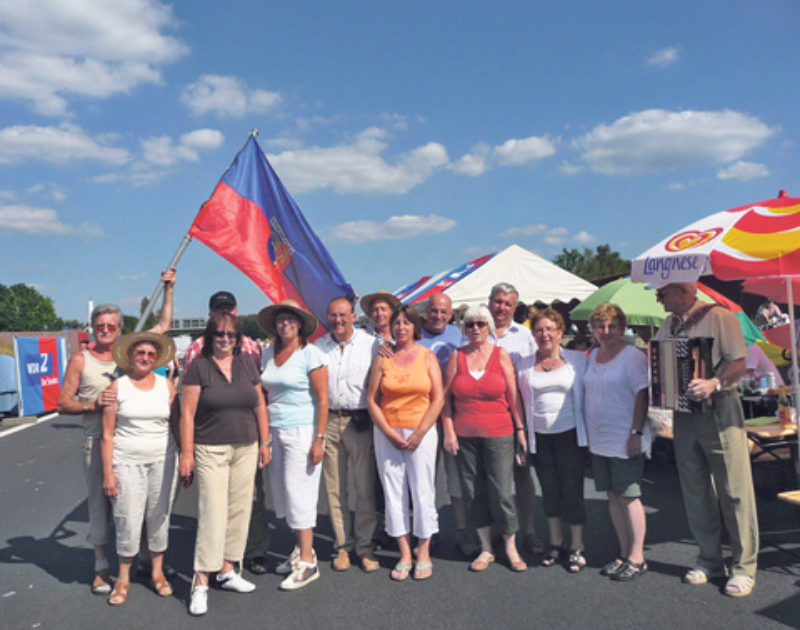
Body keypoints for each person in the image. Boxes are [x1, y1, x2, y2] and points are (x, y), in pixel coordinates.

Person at [57, 269, 175, 595]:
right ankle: (100, 567)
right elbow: (63, 404)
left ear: (120, 330)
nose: (106, 331)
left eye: (111, 326)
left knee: (136, 503)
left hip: (130, 441)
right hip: (98, 440)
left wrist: (168, 289)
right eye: (100, 326)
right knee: (101, 504)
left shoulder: (131, 353)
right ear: (92, 329)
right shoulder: (82, 360)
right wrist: (92, 404)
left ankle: (141, 561)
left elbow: (163, 326)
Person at [654, 282, 758, 597]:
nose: (659, 299)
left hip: (720, 408)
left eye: (663, 293)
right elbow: (660, 360)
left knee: (734, 489)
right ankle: (710, 559)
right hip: (684, 413)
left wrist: (714, 382)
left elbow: (739, 363)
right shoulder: (668, 323)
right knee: (695, 488)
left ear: (683, 291)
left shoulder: (720, 317)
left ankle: (743, 567)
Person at [180, 312, 270, 616]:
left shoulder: (246, 363)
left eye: (231, 336)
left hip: (246, 446)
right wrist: (187, 454)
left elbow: (259, 404)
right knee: (212, 514)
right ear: (209, 336)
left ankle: (228, 570)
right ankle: (201, 581)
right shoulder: (199, 368)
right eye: (220, 335)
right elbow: (187, 414)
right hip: (210, 449)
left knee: (239, 510)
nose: (225, 340)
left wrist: (265, 442)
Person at [441, 304, 528, 572]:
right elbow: (445, 399)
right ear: (463, 329)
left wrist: (520, 430)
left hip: (499, 433)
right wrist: (449, 431)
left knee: (501, 491)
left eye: (480, 324)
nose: (475, 329)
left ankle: (511, 546)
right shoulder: (457, 356)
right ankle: (486, 548)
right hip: (465, 435)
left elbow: (514, 397)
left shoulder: (501, 356)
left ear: (489, 327)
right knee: (473, 492)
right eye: (470, 324)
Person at [100, 332, 179, 605]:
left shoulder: (167, 386)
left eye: (150, 355)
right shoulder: (116, 388)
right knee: (127, 518)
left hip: (163, 460)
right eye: (140, 353)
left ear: (156, 359)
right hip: (126, 462)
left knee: (159, 516)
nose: (145, 358)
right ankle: (123, 577)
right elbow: (108, 434)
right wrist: (109, 472)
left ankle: (157, 573)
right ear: (130, 356)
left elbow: (178, 424)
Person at [366, 305, 444, 581]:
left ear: (415, 327)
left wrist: (420, 433)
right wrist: (388, 432)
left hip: (420, 431)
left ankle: (423, 551)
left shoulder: (427, 356)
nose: (400, 327)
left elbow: (438, 398)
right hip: (388, 431)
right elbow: (371, 400)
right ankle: (405, 553)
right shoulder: (383, 357)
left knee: (422, 490)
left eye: (406, 323)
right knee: (393, 492)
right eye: (396, 323)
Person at [259, 300, 329, 590]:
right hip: (276, 430)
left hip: (303, 429)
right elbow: (263, 394)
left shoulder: (311, 354)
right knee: (284, 495)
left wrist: (319, 439)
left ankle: (308, 563)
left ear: (300, 325)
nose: (285, 324)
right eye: (281, 320)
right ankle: (302, 551)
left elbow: (324, 399)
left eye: (291, 319)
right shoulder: (267, 353)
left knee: (300, 494)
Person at [518, 308, 588, 572]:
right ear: (533, 333)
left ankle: (577, 546)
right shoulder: (524, 364)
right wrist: (521, 432)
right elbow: (517, 400)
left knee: (573, 490)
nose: (544, 334)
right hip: (540, 437)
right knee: (549, 491)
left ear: (560, 332)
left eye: (550, 329)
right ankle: (556, 542)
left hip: (570, 433)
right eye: (539, 330)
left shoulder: (577, 360)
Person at [314, 296, 381, 572]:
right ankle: (343, 546)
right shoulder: (318, 348)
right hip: (330, 421)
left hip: (360, 421)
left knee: (364, 488)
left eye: (343, 315)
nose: (338, 320)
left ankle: (365, 547)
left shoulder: (372, 344)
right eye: (333, 315)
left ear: (353, 316)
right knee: (335, 489)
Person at [583, 304, 649, 581]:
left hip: (625, 437)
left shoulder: (632, 356)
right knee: (612, 496)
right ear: (593, 330)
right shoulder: (593, 355)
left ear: (622, 328)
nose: (606, 331)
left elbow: (642, 395)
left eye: (612, 326)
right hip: (600, 438)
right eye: (600, 326)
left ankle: (638, 556)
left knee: (629, 496)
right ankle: (623, 553)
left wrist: (635, 433)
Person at [418, 293, 477, 557]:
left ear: (450, 314)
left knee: (456, 478)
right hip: (422, 416)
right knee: (424, 478)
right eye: (434, 311)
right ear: (426, 312)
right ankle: (427, 532)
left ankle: (463, 531)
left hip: (453, 415)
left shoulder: (459, 336)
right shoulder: (413, 334)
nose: (439, 316)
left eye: (444, 312)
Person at [487, 283, 541, 554]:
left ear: (514, 307)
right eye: (498, 302)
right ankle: (499, 528)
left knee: (521, 473)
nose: (502, 308)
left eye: (508, 303)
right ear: (490, 302)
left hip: (517, 413)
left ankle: (529, 530)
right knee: (494, 478)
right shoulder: (476, 330)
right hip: (486, 415)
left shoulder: (525, 335)